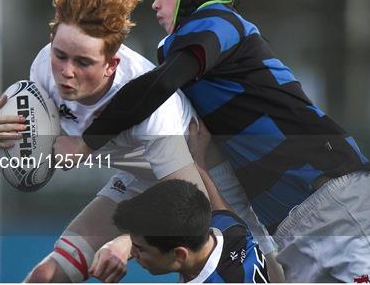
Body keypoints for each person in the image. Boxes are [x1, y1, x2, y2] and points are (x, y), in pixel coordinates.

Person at [55, 0, 370, 282]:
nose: (156, 4)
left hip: (336, 202)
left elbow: (157, 86)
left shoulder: (218, 20)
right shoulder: (193, 64)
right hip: (292, 229)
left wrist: (87, 142)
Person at [0, 0, 213, 283]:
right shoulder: (44, 68)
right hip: (137, 182)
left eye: (83, 62)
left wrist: (128, 242)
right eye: (61, 54)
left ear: (112, 64)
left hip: (200, 184)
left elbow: (191, 204)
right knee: (46, 276)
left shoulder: (150, 104)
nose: (66, 72)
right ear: (52, 38)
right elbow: (31, 168)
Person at [111, 121, 270, 283]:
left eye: (140, 249)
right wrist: (198, 160)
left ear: (180, 254)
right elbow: (220, 210)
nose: (132, 253)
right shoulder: (229, 229)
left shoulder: (230, 231)